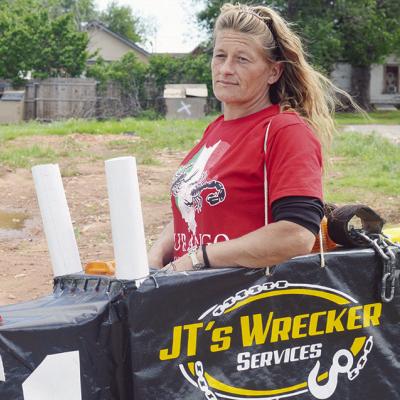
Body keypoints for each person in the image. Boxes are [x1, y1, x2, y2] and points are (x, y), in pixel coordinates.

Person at [148, 3, 348, 272]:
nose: (226, 69)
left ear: (273, 72)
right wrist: (158, 251)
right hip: (190, 299)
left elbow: (297, 234)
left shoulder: (285, 131)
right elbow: (197, 208)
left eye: (242, 59)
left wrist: (199, 258)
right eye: (220, 56)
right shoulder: (215, 130)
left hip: (245, 304)